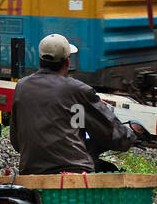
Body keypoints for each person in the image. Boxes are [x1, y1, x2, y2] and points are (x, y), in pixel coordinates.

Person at [9, 33, 145, 175]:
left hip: (31, 170)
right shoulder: (78, 90)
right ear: (68, 62)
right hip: (73, 171)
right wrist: (131, 134)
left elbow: (16, 141)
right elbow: (110, 132)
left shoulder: (22, 86)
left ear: (40, 60)